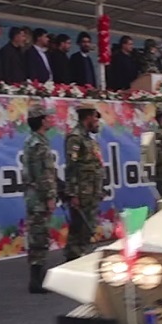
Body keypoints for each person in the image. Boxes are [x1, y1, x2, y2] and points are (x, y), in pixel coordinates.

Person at [22, 103, 58, 293]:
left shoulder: (36, 141)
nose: (50, 119)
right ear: (41, 120)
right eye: (47, 117)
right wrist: (50, 197)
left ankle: (38, 276)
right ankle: (36, 280)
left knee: (39, 236)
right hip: (39, 199)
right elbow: (41, 174)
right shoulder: (38, 144)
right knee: (39, 237)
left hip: (36, 198)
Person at [63, 101, 105, 261]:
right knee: (79, 231)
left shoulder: (89, 139)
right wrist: (73, 194)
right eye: (95, 118)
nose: (97, 122)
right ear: (88, 117)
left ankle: (79, 260)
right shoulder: (75, 138)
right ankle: (72, 263)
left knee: (86, 230)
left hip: (92, 192)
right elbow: (71, 167)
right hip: (82, 194)